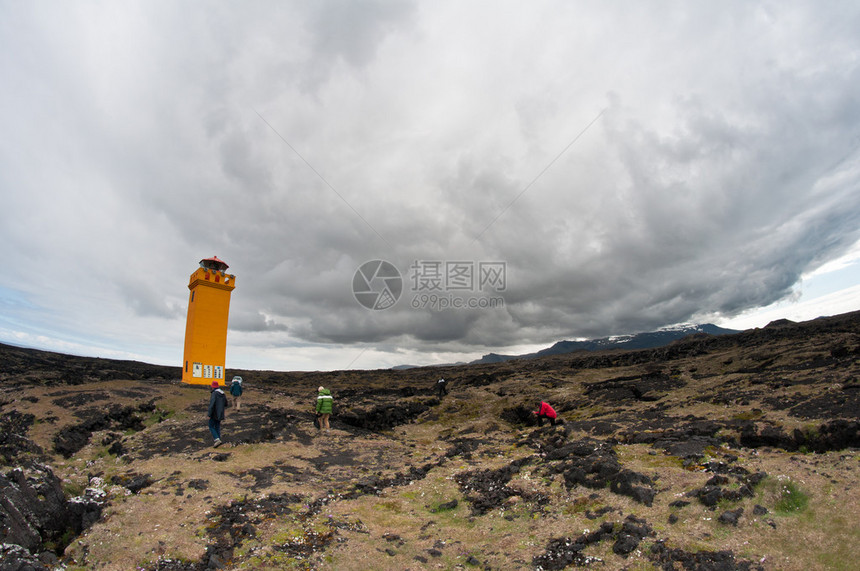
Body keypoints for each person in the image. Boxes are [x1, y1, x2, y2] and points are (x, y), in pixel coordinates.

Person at [208, 381, 227, 447]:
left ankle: (217, 439)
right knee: (217, 426)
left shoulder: (214, 394)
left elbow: (212, 404)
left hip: (214, 413)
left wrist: (209, 414)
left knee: (211, 426)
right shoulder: (222, 393)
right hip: (221, 413)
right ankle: (219, 440)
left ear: (213, 386)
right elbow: (226, 403)